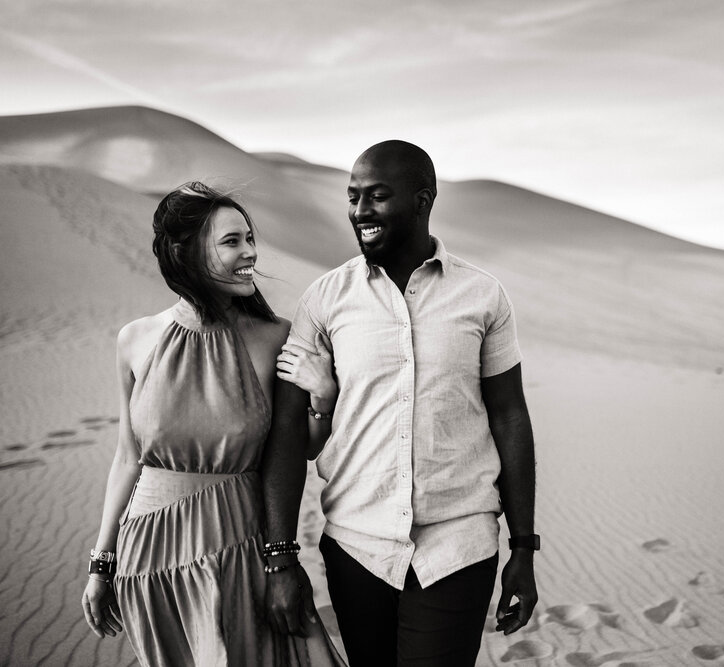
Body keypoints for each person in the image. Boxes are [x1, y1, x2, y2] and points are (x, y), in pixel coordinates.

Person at [266, 140, 540, 666]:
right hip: (356, 545)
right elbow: (285, 431)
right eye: (353, 197)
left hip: (458, 543)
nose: (360, 212)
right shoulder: (324, 299)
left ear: (422, 200)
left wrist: (523, 547)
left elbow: (510, 415)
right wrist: (280, 557)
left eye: (377, 196)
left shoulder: (483, 296)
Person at [80, 182, 344, 666]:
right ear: (187, 255)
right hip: (150, 557)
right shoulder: (136, 340)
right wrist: (101, 563)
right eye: (231, 242)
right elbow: (127, 458)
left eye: (249, 238)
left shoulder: (275, 337)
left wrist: (323, 399)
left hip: (239, 546)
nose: (250, 252)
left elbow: (299, 448)